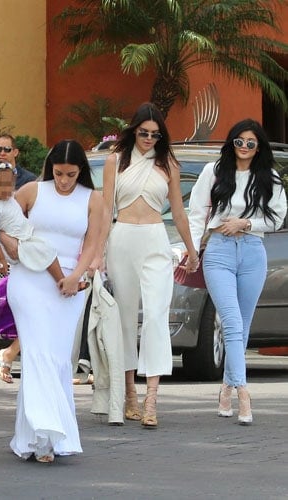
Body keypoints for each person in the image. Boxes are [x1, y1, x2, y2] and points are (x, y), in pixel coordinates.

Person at [97, 102, 199, 428]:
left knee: (156, 315)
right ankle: (129, 393)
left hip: (155, 239)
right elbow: (104, 208)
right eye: (144, 133)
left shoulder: (167, 163)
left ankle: (152, 397)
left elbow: (179, 212)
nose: (149, 139)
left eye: (155, 135)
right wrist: (97, 252)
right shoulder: (116, 160)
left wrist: (192, 250)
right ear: (134, 130)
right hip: (122, 238)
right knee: (125, 318)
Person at [0, 140, 102, 462]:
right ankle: (45, 435)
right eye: (59, 173)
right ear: (51, 169)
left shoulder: (92, 199)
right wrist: (11, 248)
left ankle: (36, 438)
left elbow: (93, 244)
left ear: (80, 172)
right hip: (29, 280)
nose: (64, 181)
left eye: (71, 174)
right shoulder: (32, 190)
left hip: (69, 284)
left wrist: (76, 276)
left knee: (56, 359)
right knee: (38, 354)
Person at [188, 119, 286, 425]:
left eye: (251, 143)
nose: (244, 148)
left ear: (259, 147)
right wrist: (192, 251)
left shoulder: (268, 176)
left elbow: (277, 218)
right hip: (218, 251)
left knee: (241, 327)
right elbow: (196, 213)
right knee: (230, 321)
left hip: (253, 253)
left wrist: (245, 223)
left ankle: (227, 389)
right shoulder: (214, 172)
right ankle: (244, 392)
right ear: (231, 143)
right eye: (239, 142)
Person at [0, 161, 90, 289]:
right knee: (48, 253)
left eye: (9, 184)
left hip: (24, 238)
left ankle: (64, 281)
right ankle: (63, 282)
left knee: (46, 251)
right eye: (0, 185)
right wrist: (1, 259)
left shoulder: (10, 198)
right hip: (17, 244)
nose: (6, 188)